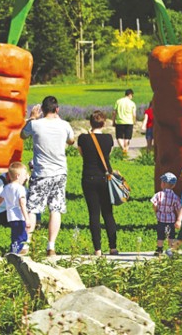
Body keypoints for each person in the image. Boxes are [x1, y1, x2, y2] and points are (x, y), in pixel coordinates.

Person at [20, 96, 75, 257]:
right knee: (55, 209)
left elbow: (22, 135)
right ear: (57, 109)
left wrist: (31, 117)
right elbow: (71, 141)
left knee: (32, 208)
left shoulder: (35, 124)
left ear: (42, 110)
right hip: (59, 173)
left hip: (40, 173)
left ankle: (27, 244)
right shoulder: (65, 125)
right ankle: (51, 246)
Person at [77, 110, 119, 256]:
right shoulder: (108, 138)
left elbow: (82, 153)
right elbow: (108, 154)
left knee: (93, 214)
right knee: (108, 213)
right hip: (105, 178)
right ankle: (113, 247)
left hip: (89, 177)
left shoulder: (83, 138)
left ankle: (97, 249)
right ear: (104, 123)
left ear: (90, 123)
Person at [0, 162, 30, 255]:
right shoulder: (20, 189)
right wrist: (27, 218)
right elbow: (22, 204)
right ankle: (13, 253)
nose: (26, 177)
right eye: (24, 175)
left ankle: (13, 250)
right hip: (19, 216)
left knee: (15, 236)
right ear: (17, 176)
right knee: (22, 237)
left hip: (11, 217)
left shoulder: (7, 187)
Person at [151, 172, 181, 256]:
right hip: (171, 219)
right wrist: (179, 219)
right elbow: (178, 208)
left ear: (163, 184)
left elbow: (154, 205)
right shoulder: (175, 196)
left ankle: (159, 249)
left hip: (161, 219)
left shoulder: (159, 195)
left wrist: (156, 210)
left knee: (160, 234)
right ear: (173, 185)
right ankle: (170, 250)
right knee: (171, 235)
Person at [112, 89, 137, 156]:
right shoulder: (132, 103)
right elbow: (134, 114)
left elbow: (114, 112)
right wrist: (134, 122)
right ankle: (125, 149)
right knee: (127, 137)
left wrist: (113, 121)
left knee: (119, 137)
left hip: (120, 121)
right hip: (129, 122)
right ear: (130, 95)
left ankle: (123, 148)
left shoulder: (118, 101)